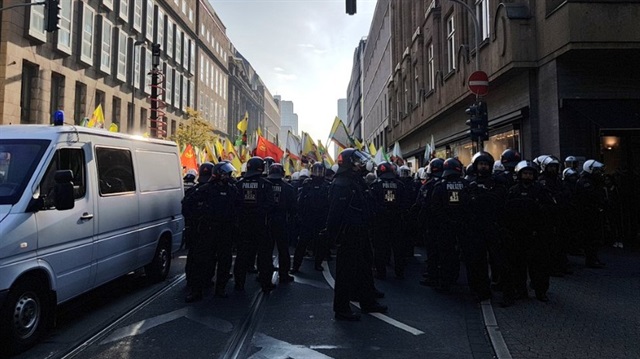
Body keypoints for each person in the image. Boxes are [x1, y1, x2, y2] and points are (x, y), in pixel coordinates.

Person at [325, 148, 387, 321]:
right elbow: (335, 213)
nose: (361, 163)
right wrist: (331, 237)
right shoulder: (342, 184)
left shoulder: (354, 181)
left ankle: (367, 301)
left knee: (364, 268)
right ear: (349, 163)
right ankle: (341, 308)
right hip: (349, 233)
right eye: (357, 160)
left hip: (360, 231)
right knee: (345, 272)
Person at [184, 161, 239, 302]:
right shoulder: (206, 189)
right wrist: (198, 220)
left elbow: (238, 209)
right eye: (227, 173)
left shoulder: (232, 190)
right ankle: (197, 290)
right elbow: (187, 205)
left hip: (225, 231)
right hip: (208, 230)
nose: (229, 176)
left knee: (225, 262)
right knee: (201, 261)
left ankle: (220, 289)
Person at [503, 160, 551, 304]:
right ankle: (521, 290)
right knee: (518, 265)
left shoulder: (540, 190)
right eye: (525, 173)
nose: (528, 176)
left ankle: (540, 291)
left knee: (539, 266)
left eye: (530, 174)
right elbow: (506, 212)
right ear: (520, 174)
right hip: (517, 234)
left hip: (536, 233)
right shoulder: (513, 190)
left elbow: (550, 210)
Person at [466, 152, 506, 302]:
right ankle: (481, 290)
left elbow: (501, 202)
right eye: (481, 164)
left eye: (486, 164)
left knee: (498, 260)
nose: (483, 166)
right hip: (476, 228)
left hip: (493, 226)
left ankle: (502, 287)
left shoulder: (496, 182)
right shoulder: (469, 182)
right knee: (478, 261)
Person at [234, 156, 276, 292]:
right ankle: (266, 283)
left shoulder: (239, 184)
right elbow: (271, 205)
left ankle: (239, 283)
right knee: (264, 256)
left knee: (242, 256)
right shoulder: (266, 184)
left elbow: (235, 204)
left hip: (244, 225)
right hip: (261, 225)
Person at [428, 158, 469, 292]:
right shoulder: (467, 185)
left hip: (445, 226)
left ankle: (445, 283)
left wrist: (445, 221)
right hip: (463, 225)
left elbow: (435, 208)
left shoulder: (440, 186)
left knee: (446, 255)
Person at [369, 161, 410, 279]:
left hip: (380, 222)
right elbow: (405, 203)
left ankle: (381, 272)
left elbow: (371, 205)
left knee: (380, 247)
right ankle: (400, 271)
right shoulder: (400, 185)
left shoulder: (375, 185)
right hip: (397, 220)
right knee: (398, 248)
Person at [293, 162, 330, 272]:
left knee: (320, 244)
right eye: (316, 170)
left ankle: (318, 264)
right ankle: (295, 266)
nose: (318, 173)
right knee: (302, 243)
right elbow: (300, 201)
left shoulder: (327, 185)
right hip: (308, 218)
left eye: (320, 171)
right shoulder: (307, 184)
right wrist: (300, 215)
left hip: (321, 218)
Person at [267, 163, 297, 283]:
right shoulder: (288, 188)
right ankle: (284, 274)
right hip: (282, 221)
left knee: (266, 249)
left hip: (267, 221)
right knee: (283, 250)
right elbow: (293, 207)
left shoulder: (264, 185)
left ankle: (264, 273)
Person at [575, 159, 607, 268]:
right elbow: (591, 196)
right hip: (587, 214)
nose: (599, 173)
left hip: (593, 212)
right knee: (590, 238)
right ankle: (591, 260)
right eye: (596, 170)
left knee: (595, 237)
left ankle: (594, 258)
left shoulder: (593, 181)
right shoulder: (585, 182)